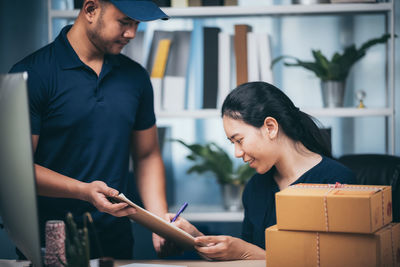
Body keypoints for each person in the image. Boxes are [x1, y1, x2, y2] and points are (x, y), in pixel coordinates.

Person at [9, 0, 169, 259]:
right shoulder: (33, 74)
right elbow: (17, 169)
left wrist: (161, 221)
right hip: (51, 241)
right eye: (125, 22)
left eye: (137, 24)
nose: (132, 34)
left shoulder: (136, 77)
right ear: (91, 10)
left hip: (115, 240)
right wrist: (84, 191)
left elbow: (147, 154)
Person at [164, 81, 356, 260]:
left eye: (239, 140)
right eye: (232, 143)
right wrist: (197, 238)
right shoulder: (255, 187)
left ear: (270, 127)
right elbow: (243, 259)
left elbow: (338, 261)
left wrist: (246, 252)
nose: (237, 153)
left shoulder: (336, 182)